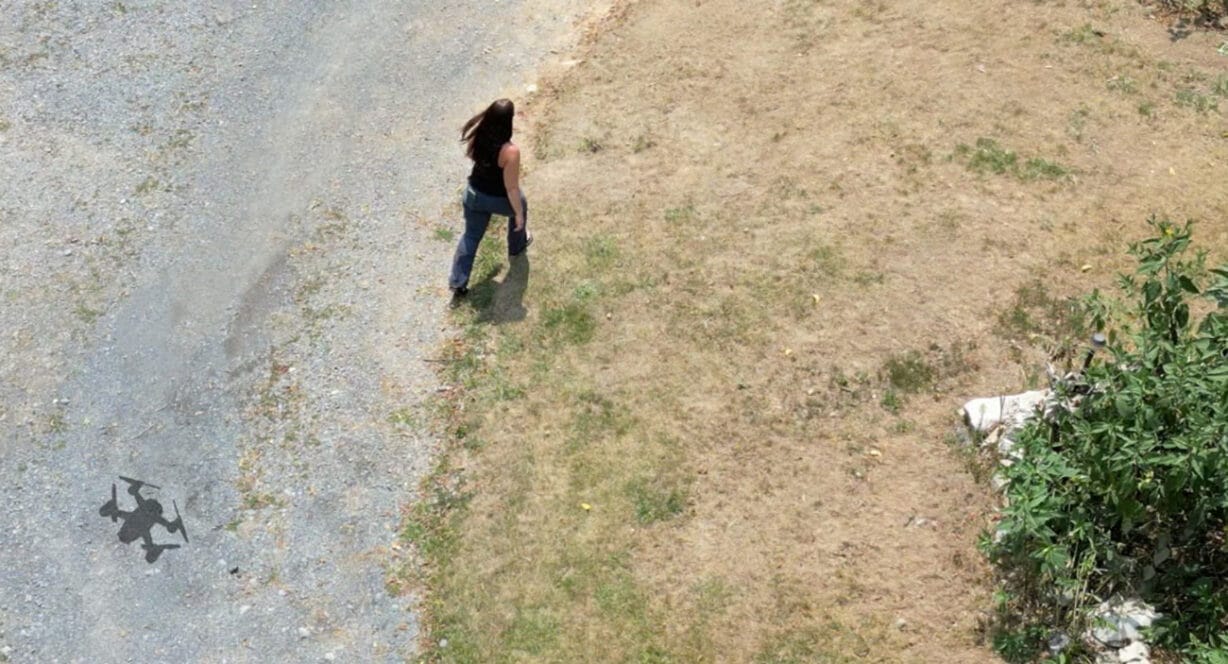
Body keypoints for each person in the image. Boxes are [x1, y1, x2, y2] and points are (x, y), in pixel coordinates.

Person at [448, 98, 532, 297]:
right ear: (509, 121)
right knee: (521, 202)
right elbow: (511, 188)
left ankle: (457, 282)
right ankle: (517, 245)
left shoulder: (479, 135)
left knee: (470, 236)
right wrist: (518, 214)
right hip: (496, 199)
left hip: (473, 195)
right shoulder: (510, 152)